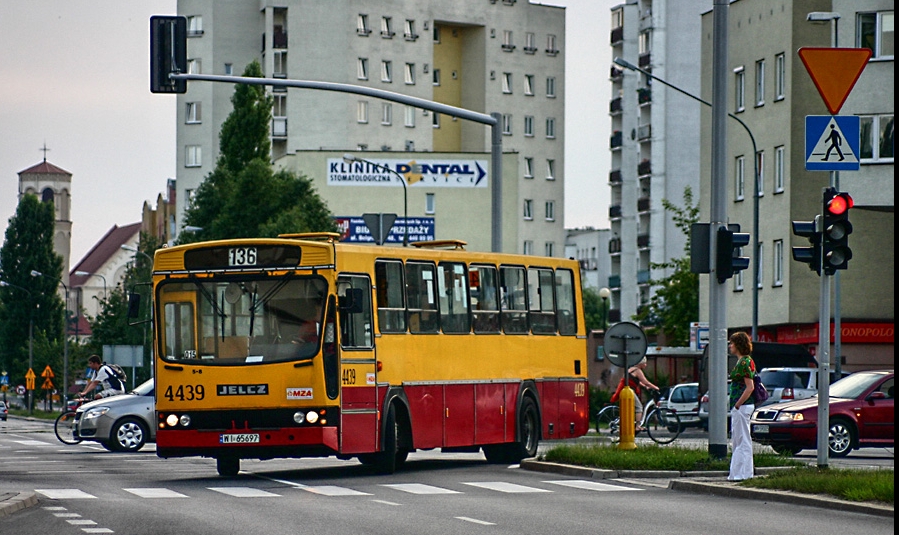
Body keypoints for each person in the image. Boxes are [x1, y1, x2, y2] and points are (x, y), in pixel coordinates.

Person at [728, 331, 756, 481]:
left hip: (742, 406)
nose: (730, 346)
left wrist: (738, 404)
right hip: (740, 406)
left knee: (743, 440)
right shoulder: (743, 361)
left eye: (732, 343)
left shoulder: (745, 362)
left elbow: (749, 386)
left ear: (738, 345)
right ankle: (736, 474)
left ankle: (744, 474)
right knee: (738, 440)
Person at [610, 357, 660, 432]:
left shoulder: (630, 369)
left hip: (624, 391)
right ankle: (638, 426)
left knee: (628, 409)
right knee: (639, 407)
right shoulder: (637, 371)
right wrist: (656, 387)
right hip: (629, 391)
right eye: (645, 363)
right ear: (641, 363)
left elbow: (636, 381)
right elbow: (646, 382)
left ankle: (623, 422)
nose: (646, 365)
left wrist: (645, 387)